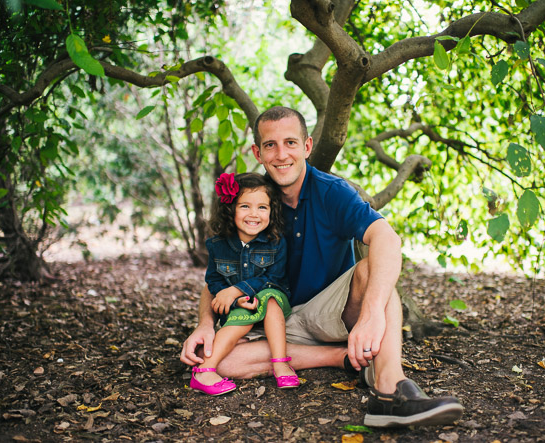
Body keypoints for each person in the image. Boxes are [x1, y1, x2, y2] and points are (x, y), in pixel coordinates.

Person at [182, 106, 463, 426]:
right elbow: (220, 271)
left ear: (307, 146)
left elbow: (387, 238)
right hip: (275, 320)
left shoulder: (332, 192)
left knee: (372, 268)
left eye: (290, 142)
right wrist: (205, 323)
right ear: (257, 153)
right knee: (219, 361)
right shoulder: (254, 201)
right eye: (270, 145)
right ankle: (342, 357)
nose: (281, 154)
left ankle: (390, 390)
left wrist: (370, 315)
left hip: (331, 312)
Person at [189, 172, 299, 396]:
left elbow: (274, 279)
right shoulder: (217, 245)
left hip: (272, 306)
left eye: (262, 208)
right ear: (231, 209)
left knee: (269, 298)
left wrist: (239, 289)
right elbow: (213, 280)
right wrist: (235, 298)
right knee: (243, 314)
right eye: (245, 206)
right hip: (237, 309)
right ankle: (205, 371)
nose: (254, 214)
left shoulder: (276, 243)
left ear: (271, 211)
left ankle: (280, 363)